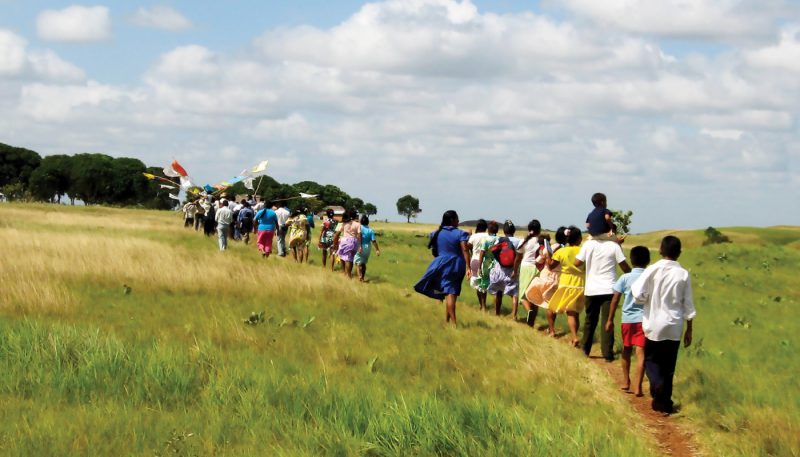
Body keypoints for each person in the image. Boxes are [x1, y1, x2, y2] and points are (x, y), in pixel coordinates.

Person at [632, 236, 696, 415]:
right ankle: (664, 402)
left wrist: (645, 300)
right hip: (674, 325)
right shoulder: (683, 273)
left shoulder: (652, 270)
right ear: (679, 253)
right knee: (669, 366)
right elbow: (688, 303)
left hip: (653, 323)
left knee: (652, 360)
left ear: (660, 250)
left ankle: (656, 385)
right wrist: (689, 329)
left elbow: (638, 293)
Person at [575, 229, 632, 361]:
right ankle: (607, 353)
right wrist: (633, 274)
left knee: (590, 320)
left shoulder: (588, 244)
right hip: (609, 289)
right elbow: (624, 266)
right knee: (608, 320)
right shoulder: (614, 246)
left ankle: (585, 349)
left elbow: (577, 262)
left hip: (592, 289)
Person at [605, 245, 650, 397]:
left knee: (626, 349)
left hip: (627, 320)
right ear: (648, 261)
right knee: (641, 353)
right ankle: (638, 386)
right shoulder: (650, 277)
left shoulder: (625, 278)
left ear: (631, 260)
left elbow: (615, 299)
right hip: (644, 320)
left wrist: (610, 319)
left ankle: (626, 381)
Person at [413, 210, 470, 326]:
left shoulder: (436, 233)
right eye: (457, 219)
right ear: (452, 220)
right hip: (456, 265)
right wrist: (469, 267)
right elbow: (465, 250)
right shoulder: (460, 234)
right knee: (451, 293)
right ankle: (454, 324)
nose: (458, 221)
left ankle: (447, 321)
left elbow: (435, 250)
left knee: (448, 291)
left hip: (440, 264)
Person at [547, 226, 585, 347]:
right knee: (575, 312)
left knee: (569, 312)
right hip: (580, 283)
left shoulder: (561, 252)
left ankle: (574, 337)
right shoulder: (584, 250)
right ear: (579, 238)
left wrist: (548, 256)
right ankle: (574, 337)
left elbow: (551, 266)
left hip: (566, 283)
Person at [526, 227, 567, 335]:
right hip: (558, 279)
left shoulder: (551, 247)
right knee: (552, 304)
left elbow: (538, 261)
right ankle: (551, 328)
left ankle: (531, 323)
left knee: (534, 298)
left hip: (546, 276)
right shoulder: (567, 250)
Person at [485, 220, 520, 317]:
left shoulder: (500, 240)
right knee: (514, 293)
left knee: (498, 291)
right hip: (512, 270)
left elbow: (494, 251)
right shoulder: (519, 241)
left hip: (500, 268)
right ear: (514, 230)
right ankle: (514, 316)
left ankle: (497, 313)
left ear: (504, 231)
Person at [513, 219, 541, 326]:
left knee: (523, 295)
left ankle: (529, 311)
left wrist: (515, 271)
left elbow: (518, 258)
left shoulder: (524, 241)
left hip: (526, 268)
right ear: (539, 230)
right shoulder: (542, 242)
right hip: (538, 269)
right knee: (536, 296)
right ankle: (531, 322)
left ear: (529, 230)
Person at [475, 221, 500, 312]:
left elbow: (482, 253)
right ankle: (495, 308)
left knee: (483, 286)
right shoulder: (499, 240)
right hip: (496, 265)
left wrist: (479, 267)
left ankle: (483, 306)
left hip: (486, 264)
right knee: (496, 288)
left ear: (488, 230)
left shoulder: (485, 240)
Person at [467, 219, 490, 311]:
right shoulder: (488, 236)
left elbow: (468, 247)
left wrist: (470, 236)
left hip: (475, 261)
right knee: (484, 284)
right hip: (486, 262)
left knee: (477, 284)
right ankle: (484, 305)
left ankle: (481, 305)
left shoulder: (474, 236)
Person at [333, 208, 362, 278]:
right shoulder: (358, 224)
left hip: (345, 241)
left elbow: (337, 234)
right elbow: (359, 235)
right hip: (354, 242)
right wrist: (360, 246)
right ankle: (347, 274)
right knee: (350, 259)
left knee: (344, 258)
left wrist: (335, 243)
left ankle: (346, 274)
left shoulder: (345, 223)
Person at [354, 215, 381, 282]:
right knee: (363, 263)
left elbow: (356, 236)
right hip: (368, 248)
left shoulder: (359, 228)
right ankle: (363, 277)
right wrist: (377, 249)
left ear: (361, 221)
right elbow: (374, 241)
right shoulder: (370, 230)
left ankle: (360, 277)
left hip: (360, 246)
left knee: (358, 263)